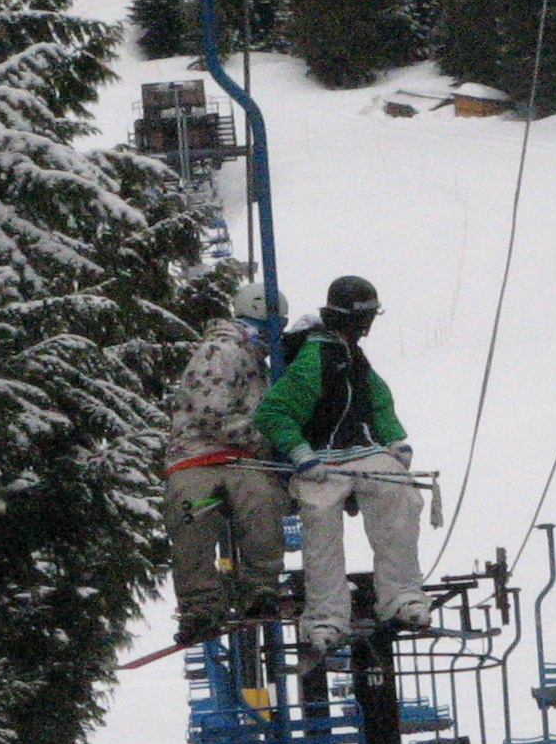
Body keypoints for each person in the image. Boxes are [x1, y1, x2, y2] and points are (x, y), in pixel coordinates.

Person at [254, 274, 429, 653]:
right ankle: (325, 615)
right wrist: (300, 453)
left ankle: (401, 594)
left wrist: (394, 441)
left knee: (399, 494)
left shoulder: (352, 354)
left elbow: (377, 399)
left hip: (363, 451)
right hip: (323, 457)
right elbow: (274, 413)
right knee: (320, 521)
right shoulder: (316, 354)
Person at [161, 281, 289, 647]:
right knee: (193, 514)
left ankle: (260, 588)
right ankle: (200, 605)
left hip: (240, 462)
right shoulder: (221, 351)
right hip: (198, 457)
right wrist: (260, 440)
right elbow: (209, 410)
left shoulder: (257, 362)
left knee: (262, 503)